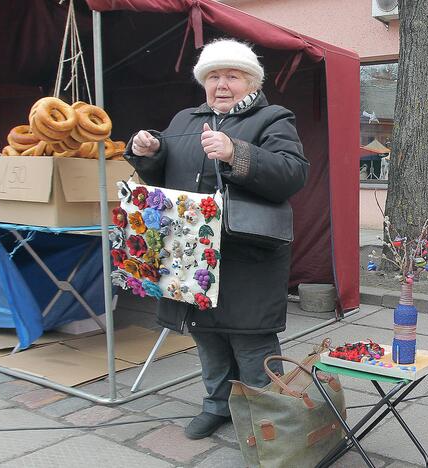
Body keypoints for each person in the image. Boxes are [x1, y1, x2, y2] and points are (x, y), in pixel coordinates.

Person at [124, 38, 309, 439]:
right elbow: (164, 178)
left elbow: (292, 173)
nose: (222, 84)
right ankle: (217, 405)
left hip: (248, 253)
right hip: (193, 254)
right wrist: (149, 152)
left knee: (251, 340)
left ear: (252, 82)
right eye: (213, 76)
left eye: (232, 75)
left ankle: (270, 419)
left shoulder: (274, 119)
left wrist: (235, 152)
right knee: (206, 334)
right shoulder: (185, 120)